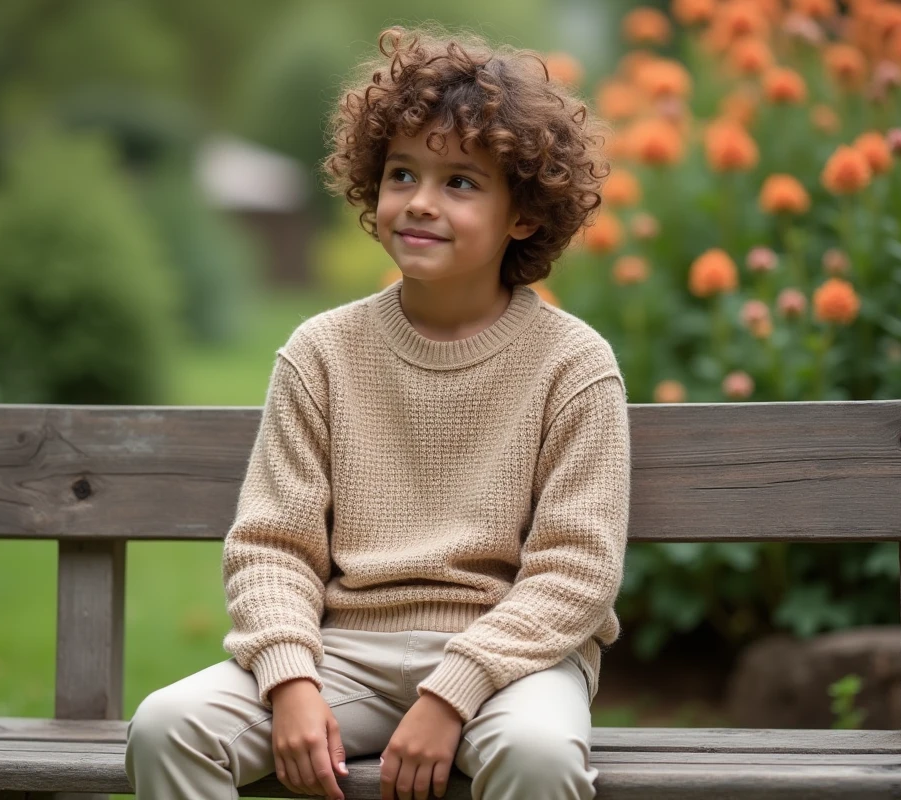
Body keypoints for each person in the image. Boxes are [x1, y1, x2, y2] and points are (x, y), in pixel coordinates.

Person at [125, 23, 630, 800]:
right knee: (168, 726)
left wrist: (452, 691)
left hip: (511, 663)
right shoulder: (320, 353)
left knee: (538, 755)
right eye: (402, 174)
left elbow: (576, 573)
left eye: (460, 182)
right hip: (340, 654)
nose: (420, 203)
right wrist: (291, 678)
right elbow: (271, 546)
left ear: (523, 214)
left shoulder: (574, 365)